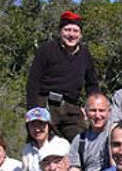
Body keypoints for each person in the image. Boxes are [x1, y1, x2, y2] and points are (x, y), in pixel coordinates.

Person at [26, 10, 100, 141]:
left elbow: (92, 84)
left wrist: (92, 107)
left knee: (82, 142)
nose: (71, 34)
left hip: (71, 107)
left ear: (80, 34)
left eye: (75, 31)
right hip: (45, 105)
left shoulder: (85, 54)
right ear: (60, 31)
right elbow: (33, 81)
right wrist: (33, 110)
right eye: (67, 30)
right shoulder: (46, 49)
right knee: (42, 144)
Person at [69, 92, 112, 171]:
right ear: (85, 112)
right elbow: (74, 170)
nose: (97, 115)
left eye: (101, 110)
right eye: (93, 110)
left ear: (109, 112)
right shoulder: (79, 140)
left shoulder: (116, 133)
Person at [21, 107, 56, 171]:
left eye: (41, 124)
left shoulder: (58, 145)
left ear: (48, 125)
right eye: (32, 125)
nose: (37, 129)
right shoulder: (27, 149)